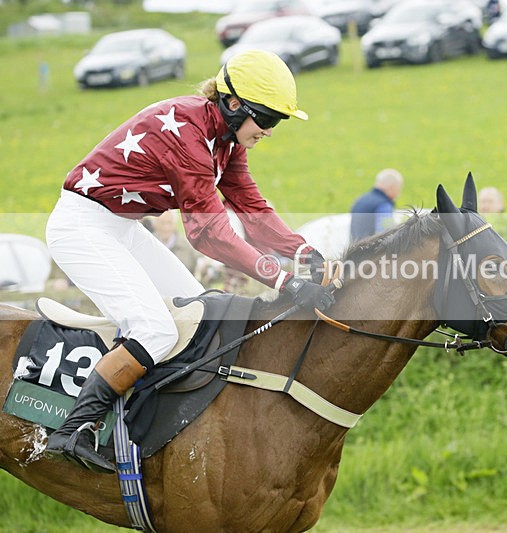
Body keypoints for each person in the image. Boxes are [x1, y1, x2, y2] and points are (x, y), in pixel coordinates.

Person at [44, 50, 333, 473]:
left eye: (278, 122)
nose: (270, 132)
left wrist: (304, 252)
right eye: (267, 120)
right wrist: (283, 281)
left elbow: (250, 209)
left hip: (123, 227)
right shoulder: (186, 135)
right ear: (233, 105)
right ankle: (74, 430)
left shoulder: (226, 140)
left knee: (198, 308)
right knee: (156, 330)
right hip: (82, 227)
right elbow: (208, 233)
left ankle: (155, 416)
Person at [349, 168, 404, 241]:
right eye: (398, 190)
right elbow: (387, 233)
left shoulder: (360, 200)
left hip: (355, 249)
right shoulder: (383, 205)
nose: (397, 195)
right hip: (372, 250)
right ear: (391, 187)